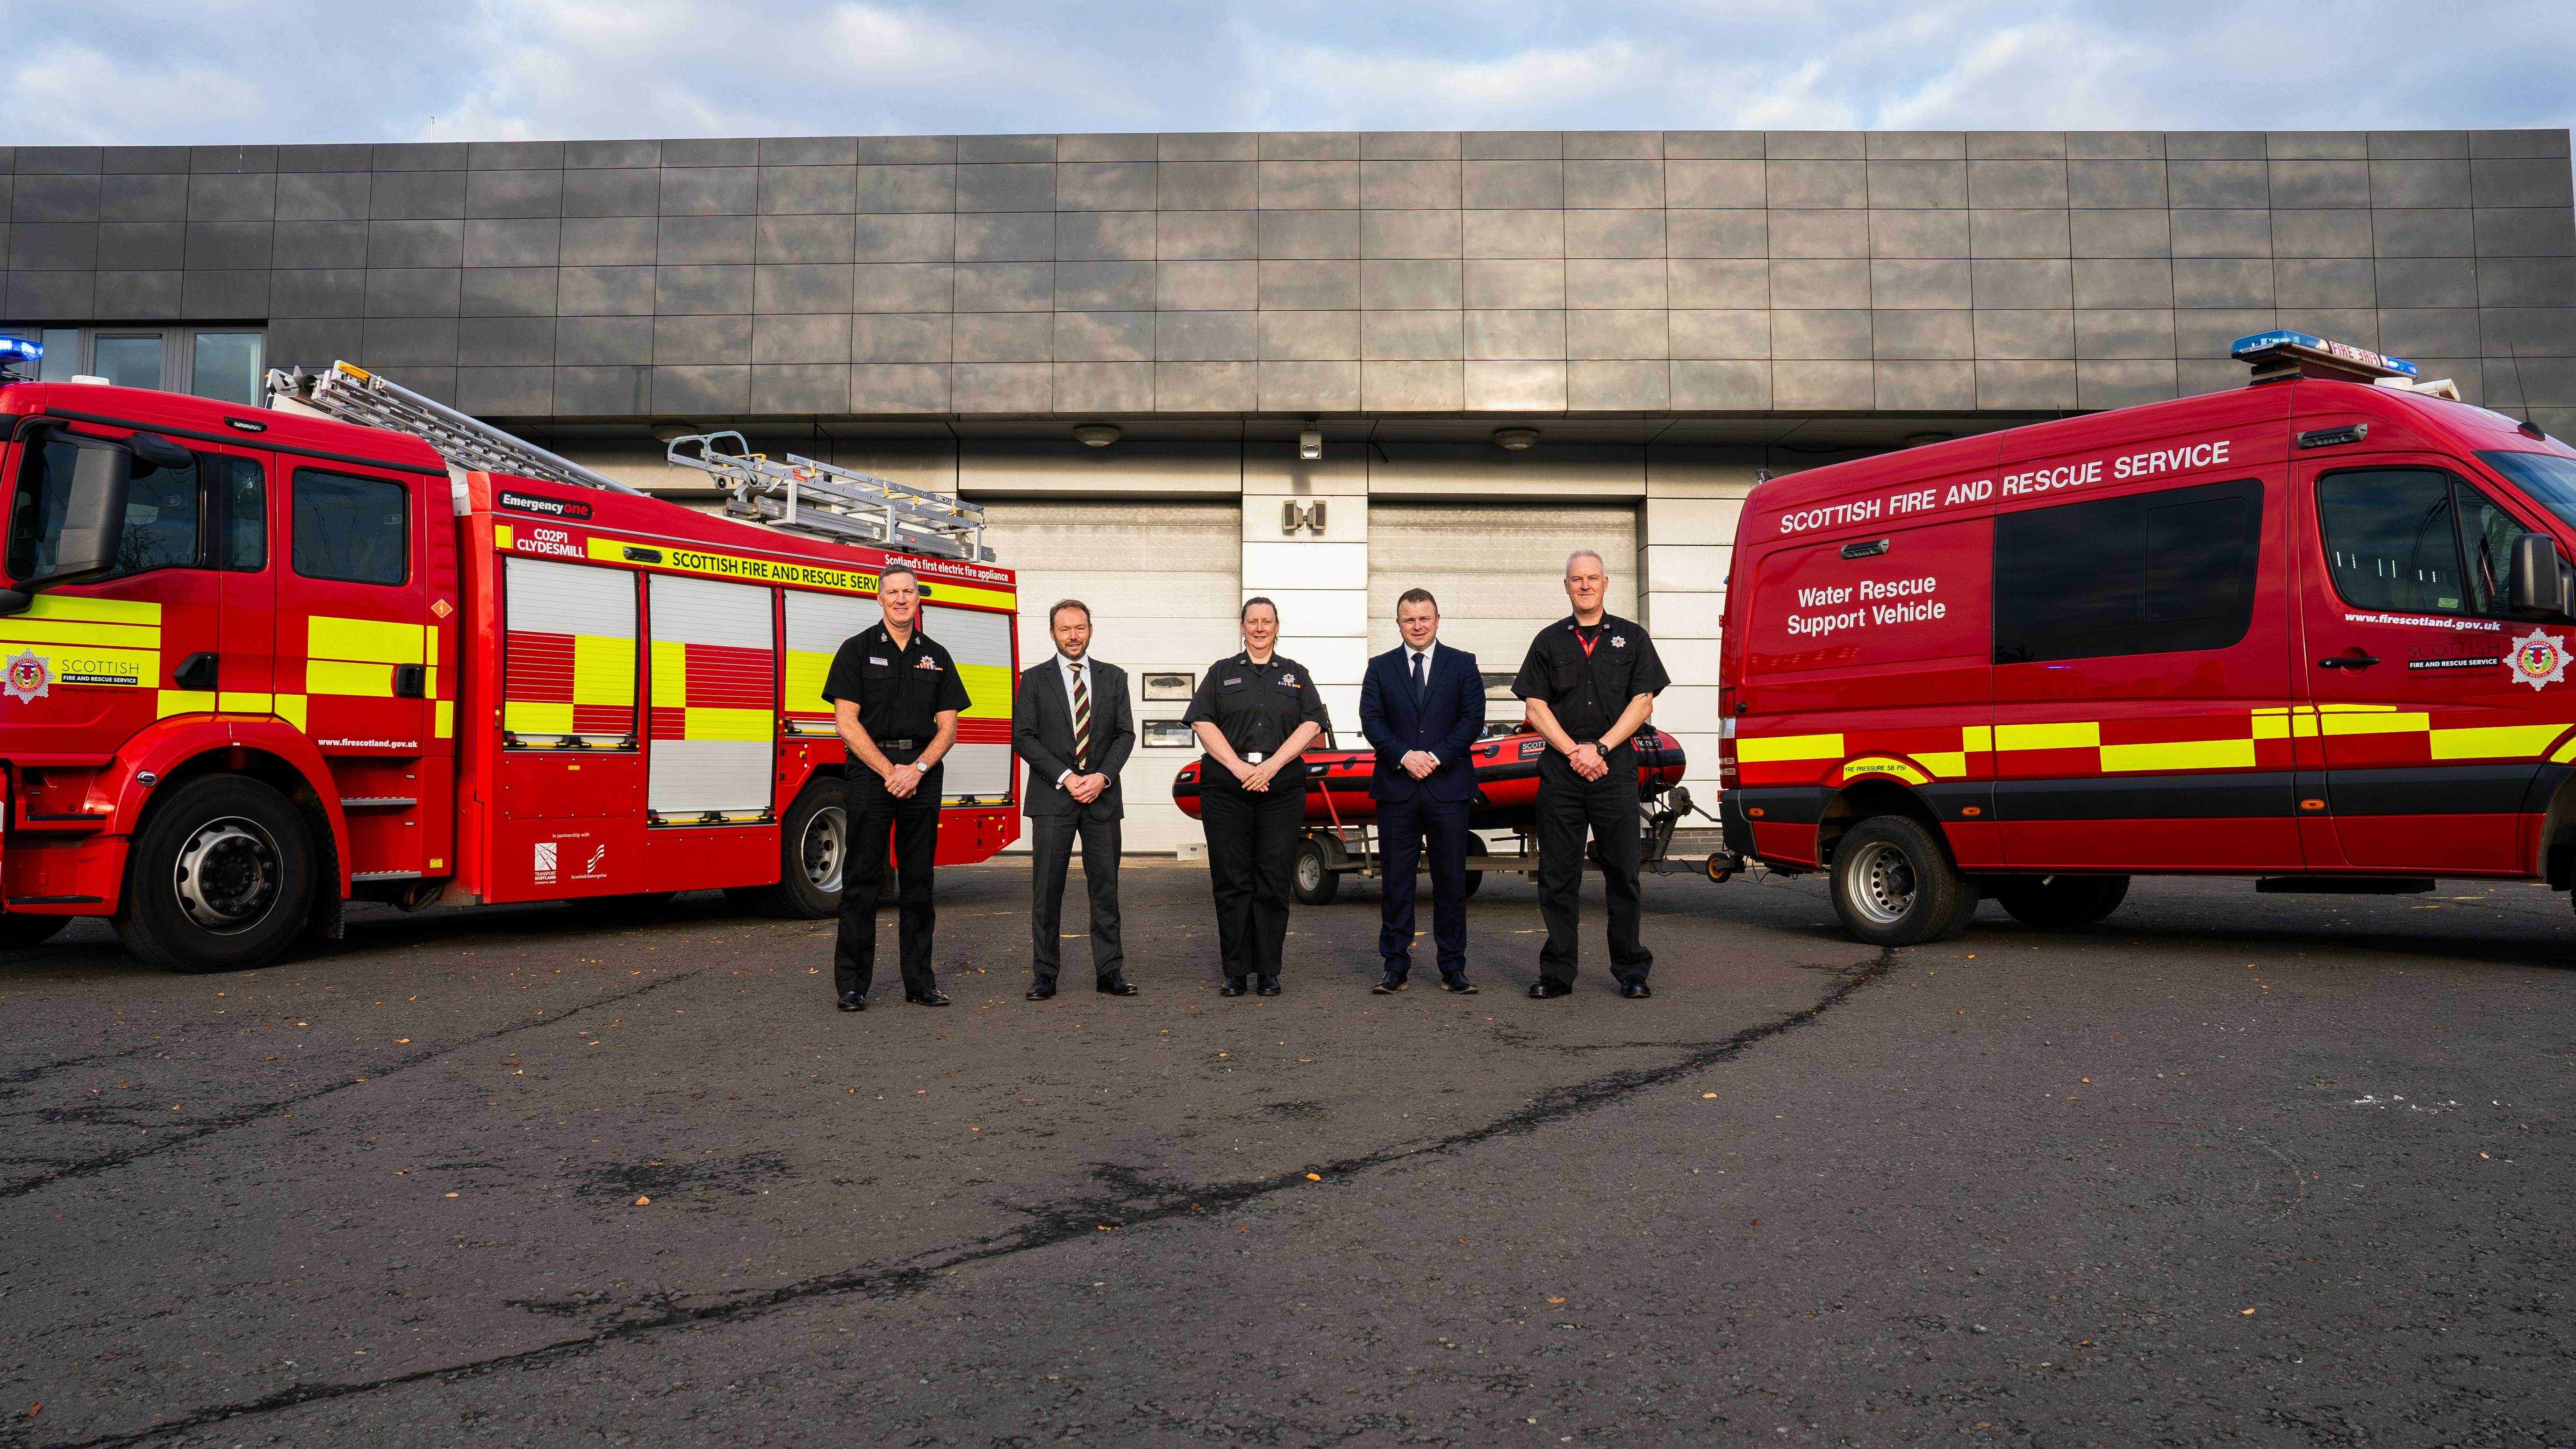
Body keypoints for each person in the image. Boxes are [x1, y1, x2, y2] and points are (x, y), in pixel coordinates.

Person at [1512, 549, 1671, 1000]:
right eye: (1576, 579)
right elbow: (1535, 707)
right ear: (1566, 586)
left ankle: (1631, 970)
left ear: (1605, 583)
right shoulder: (1547, 641)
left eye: (1592, 578)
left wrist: (1599, 748)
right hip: (1561, 773)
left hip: (1614, 769)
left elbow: (1643, 702)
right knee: (1557, 877)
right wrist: (1573, 751)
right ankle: (1557, 973)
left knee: (1623, 875)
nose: (1585, 585)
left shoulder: (1632, 638)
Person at [821, 564, 969, 1011]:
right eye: (893, 592)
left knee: (919, 881)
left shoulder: (937, 656)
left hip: (922, 772)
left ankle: (920, 982)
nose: (901, 599)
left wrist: (917, 768)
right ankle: (852, 985)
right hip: (872, 771)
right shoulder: (856, 650)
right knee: (861, 879)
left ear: (919, 597)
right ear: (880, 599)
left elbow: (948, 729)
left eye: (909, 591)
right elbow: (846, 722)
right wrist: (891, 771)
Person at [1183, 597, 1330, 997]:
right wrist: (1239, 768)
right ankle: (1235, 972)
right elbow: (1201, 721)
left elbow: (1312, 723)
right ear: (1242, 627)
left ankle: (1268, 970)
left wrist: (1271, 767)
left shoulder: (1296, 675)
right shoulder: (1221, 672)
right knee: (1231, 880)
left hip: (1279, 787)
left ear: (1277, 627)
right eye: (1253, 621)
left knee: (1273, 879)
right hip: (1227, 787)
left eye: (1267, 621)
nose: (1260, 628)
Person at [1357, 588, 1485, 994]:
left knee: (1451, 882)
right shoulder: (1380, 667)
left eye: (1424, 618)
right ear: (1398, 623)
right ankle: (1395, 966)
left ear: (1437, 620)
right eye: (1409, 619)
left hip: (1448, 788)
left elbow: (1472, 719)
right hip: (1397, 788)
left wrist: (1434, 756)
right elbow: (1371, 720)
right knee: (1396, 884)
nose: (1417, 626)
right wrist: (1404, 756)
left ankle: (1453, 968)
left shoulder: (1463, 664)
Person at [1012, 599, 1137, 1001]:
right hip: (1052, 798)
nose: (1073, 636)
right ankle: (1045, 975)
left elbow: (1125, 734)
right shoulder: (1033, 680)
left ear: (1090, 630)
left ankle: (1110, 972)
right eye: (1064, 629)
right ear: (1052, 633)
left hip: (1102, 797)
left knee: (1106, 889)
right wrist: (1067, 778)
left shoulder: (1113, 677)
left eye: (1079, 628)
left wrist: (1101, 777)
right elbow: (1023, 737)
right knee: (1047, 892)